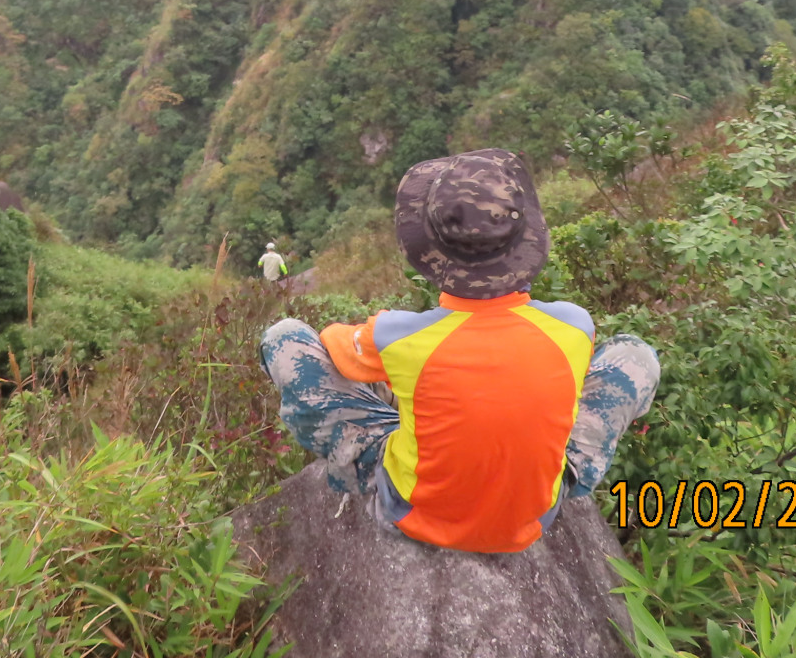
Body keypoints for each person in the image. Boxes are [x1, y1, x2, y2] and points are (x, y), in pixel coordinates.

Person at [259, 148, 660, 554]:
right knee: (634, 354)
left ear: (430, 252)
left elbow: (330, 345)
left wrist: (381, 345)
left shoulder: (397, 335)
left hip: (413, 511)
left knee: (285, 336)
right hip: (538, 514)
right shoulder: (574, 325)